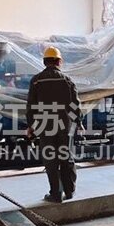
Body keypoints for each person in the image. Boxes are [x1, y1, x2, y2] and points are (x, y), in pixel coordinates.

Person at [26, 46, 81, 203]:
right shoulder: (67, 80)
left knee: (50, 160)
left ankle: (56, 194)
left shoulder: (36, 80)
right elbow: (75, 104)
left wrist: (31, 126)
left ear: (44, 62)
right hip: (65, 126)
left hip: (45, 126)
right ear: (59, 61)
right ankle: (69, 192)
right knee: (66, 157)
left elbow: (31, 106)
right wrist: (78, 122)